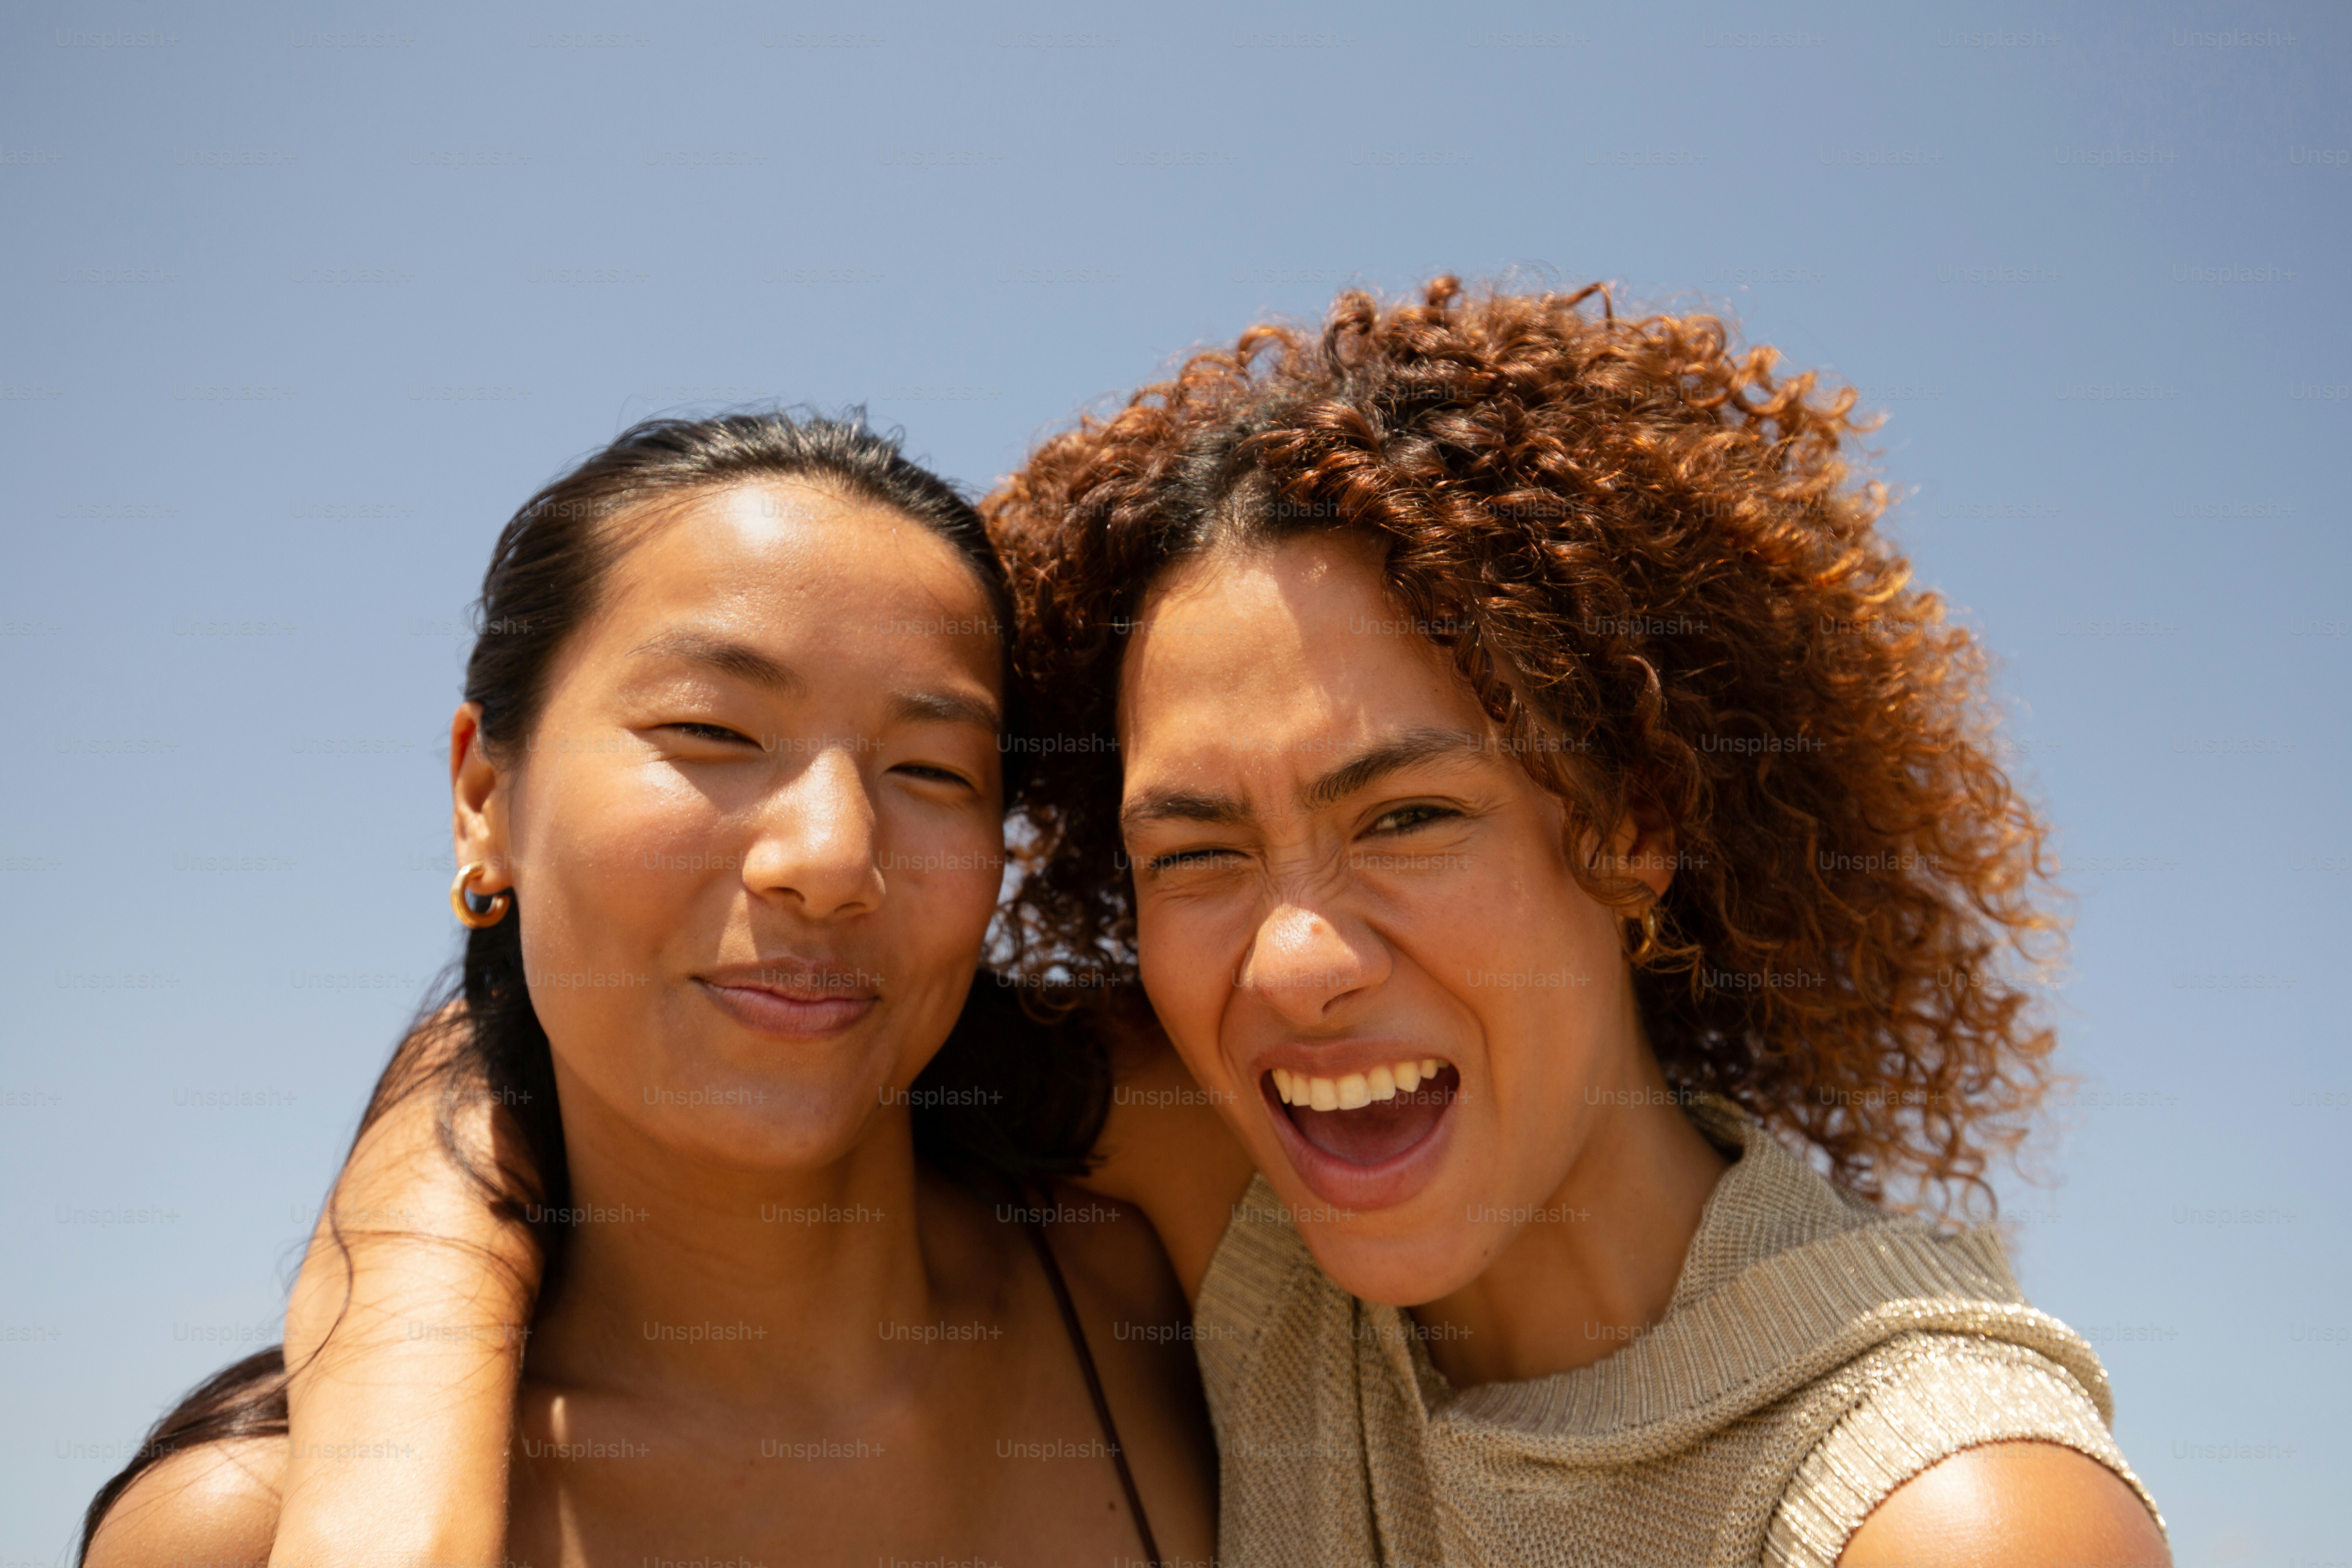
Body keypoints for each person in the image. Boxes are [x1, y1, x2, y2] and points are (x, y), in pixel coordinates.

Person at [128, 278, 2172, 1568]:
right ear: (483, 784)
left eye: (1411, 812)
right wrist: (401, 1428)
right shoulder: (1247, 1202)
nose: (1292, 963)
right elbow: (610, 1040)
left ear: (1634, 827)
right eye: (1193, 847)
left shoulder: (1933, 1509)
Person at [77, 413, 1216, 1568]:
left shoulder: (1165, 1288)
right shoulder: (246, 1528)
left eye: (933, 771)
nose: (831, 856)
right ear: (484, 794)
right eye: (711, 731)